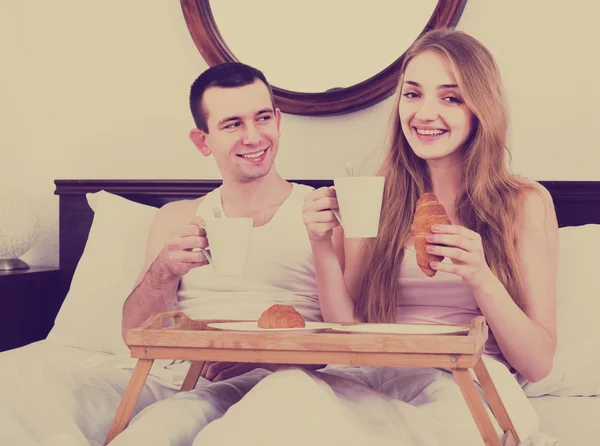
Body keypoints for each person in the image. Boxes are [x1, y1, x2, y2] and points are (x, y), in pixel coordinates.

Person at [189, 29, 560, 446]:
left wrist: (481, 277)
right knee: (281, 396)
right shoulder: (373, 195)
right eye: (412, 94)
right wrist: (321, 245)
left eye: (451, 98)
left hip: (467, 383)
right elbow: (345, 329)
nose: (425, 113)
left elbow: (537, 363)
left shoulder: (524, 203)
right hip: (374, 378)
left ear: (481, 108)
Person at [0, 62, 323, 446]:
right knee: (16, 384)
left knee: (167, 427)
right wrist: (163, 270)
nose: (253, 136)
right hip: (165, 374)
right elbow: (133, 334)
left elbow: (350, 329)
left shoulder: (316, 213)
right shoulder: (177, 217)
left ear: (279, 121)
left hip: (270, 379)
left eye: (262, 117)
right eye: (232, 124)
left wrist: (262, 356)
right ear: (202, 141)